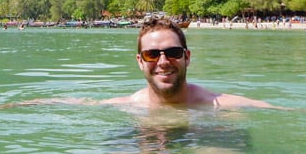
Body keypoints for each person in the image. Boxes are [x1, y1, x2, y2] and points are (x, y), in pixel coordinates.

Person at [102, 17, 271, 109]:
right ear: (140, 61)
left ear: (187, 57)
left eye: (173, 53)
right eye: (152, 54)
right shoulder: (125, 106)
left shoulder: (219, 106)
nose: (163, 62)